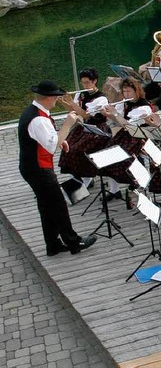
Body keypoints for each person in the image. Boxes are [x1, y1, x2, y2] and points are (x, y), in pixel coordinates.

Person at [18, 80, 97, 257]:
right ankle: (74, 242)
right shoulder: (38, 119)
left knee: (47, 207)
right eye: (55, 97)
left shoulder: (34, 112)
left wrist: (62, 140)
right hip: (38, 169)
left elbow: (49, 138)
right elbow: (51, 145)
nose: (57, 100)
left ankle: (52, 245)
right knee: (58, 205)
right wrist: (67, 125)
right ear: (48, 98)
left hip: (32, 167)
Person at [102, 76, 153, 199]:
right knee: (108, 153)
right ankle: (114, 190)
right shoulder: (125, 104)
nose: (126, 94)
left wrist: (114, 113)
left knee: (122, 156)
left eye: (129, 91)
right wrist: (109, 114)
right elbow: (121, 122)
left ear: (137, 91)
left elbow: (129, 125)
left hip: (139, 136)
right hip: (126, 134)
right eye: (124, 91)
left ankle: (137, 180)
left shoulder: (144, 107)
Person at [58, 67, 110, 186]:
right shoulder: (81, 94)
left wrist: (71, 103)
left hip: (97, 129)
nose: (85, 85)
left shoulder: (101, 98)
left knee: (79, 149)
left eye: (87, 82)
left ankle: (87, 178)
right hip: (84, 127)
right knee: (68, 146)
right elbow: (74, 111)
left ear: (94, 81)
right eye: (83, 83)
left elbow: (86, 115)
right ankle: (77, 176)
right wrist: (65, 103)